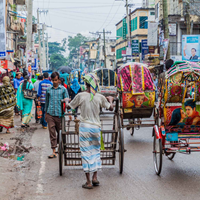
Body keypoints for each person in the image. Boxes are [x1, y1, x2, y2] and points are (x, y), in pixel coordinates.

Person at [68, 73, 114, 189]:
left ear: (86, 84)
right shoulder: (99, 97)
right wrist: (111, 100)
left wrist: (65, 101)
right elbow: (111, 108)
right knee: (95, 152)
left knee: (86, 153)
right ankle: (95, 178)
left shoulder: (81, 95)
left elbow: (70, 106)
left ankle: (88, 182)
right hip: (96, 128)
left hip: (84, 128)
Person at [45, 72, 69, 159]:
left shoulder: (63, 89)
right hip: (50, 113)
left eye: (56, 80)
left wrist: (69, 112)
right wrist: (46, 113)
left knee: (61, 132)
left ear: (59, 80)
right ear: (51, 80)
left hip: (60, 114)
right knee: (52, 133)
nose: (55, 82)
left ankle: (61, 147)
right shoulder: (48, 90)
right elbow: (47, 102)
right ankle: (54, 151)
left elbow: (67, 101)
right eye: (53, 80)